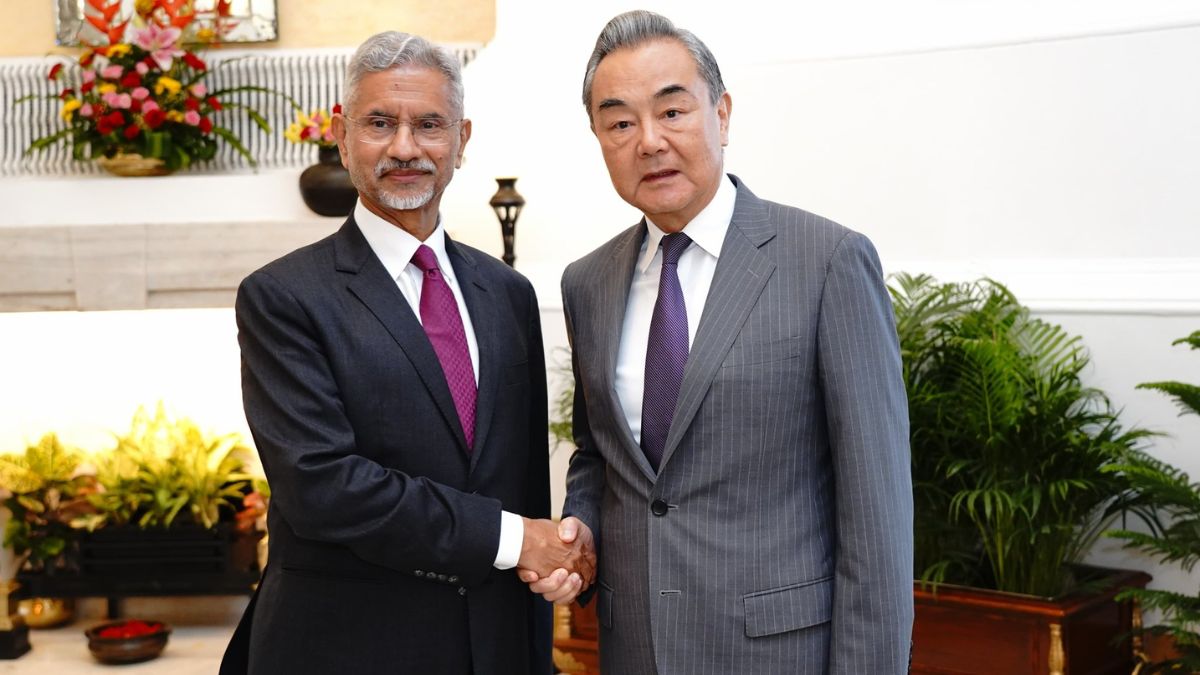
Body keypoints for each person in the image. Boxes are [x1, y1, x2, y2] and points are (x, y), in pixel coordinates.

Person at [521, 10, 913, 675]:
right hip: (636, 649)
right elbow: (597, 451)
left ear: (722, 115)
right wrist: (581, 525)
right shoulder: (587, 283)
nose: (649, 142)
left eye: (672, 112)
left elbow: (877, 515)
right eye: (620, 123)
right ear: (599, 138)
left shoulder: (827, 262)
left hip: (779, 654)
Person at [220, 31, 591, 675]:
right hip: (347, 649)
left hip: (496, 646)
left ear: (461, 140)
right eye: (379, 123)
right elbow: (322, 486)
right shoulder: (283, 296)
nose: (404, 147)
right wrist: (514, 539)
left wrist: (545, 588)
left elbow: (522, 480)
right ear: (342, 135)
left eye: (429, 125)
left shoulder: (508, 293)